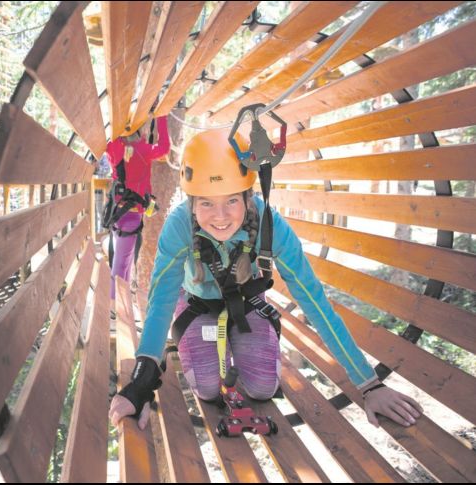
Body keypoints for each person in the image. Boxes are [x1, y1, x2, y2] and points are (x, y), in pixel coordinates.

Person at [108, 129, 423, 431]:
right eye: (206, 203)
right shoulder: (179, 226)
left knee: (261, 388)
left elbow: (316, 303)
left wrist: (369, 385)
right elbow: (161, 300)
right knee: (206, 388)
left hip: (246, 303)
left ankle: (244, 343)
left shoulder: (271, 225)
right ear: (192, 202)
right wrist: (141, 383)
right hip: (195, 303)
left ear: (248, 196)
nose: (220, 216)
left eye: (231, 200)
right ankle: (215, 347)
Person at [103, 116, 170, 299]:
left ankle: (119, 299)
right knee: (122, 262)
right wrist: (161, 116)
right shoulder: (144, 150)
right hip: (132, 216)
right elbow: (164, 148)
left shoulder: (114, 148)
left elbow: (111, 143)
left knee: (122, 257)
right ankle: (114, 302)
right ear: (139, 130)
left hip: (117, 212)